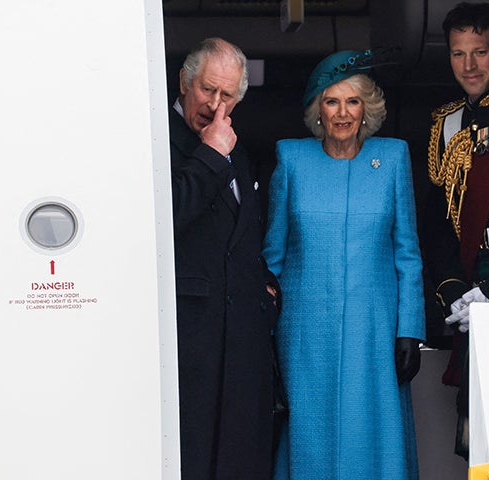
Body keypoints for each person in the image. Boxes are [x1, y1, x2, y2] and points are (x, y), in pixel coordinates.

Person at [263, 49, 425, 480]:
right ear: (317, 110)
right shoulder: (292, 159)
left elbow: (407, 253)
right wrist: (263, 332)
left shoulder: (392, 158)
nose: (342, 112)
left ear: (366, 108)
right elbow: (272, 258)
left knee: (371, 435)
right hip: (305, 334)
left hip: (374, 330)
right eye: (331, 101)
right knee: (309, 438)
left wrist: (410, 329)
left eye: (353, 101)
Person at [420, 1, 489, 470]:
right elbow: (439, 221)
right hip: (467, 281)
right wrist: (452, 289)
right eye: (458, 53)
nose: (468, 66)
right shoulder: (446, 123)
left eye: (479, 52)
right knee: (475, 421)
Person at [168, 37, 281, 480]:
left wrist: (264, 284)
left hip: (240, 341)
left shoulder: (238, 148)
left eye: (227, 95)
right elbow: (164, 218)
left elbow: (239, 237)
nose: (216, 105)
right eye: (207, 90)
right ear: (184, 82)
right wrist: (212, 155)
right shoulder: (155, 138)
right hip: (188, 339)